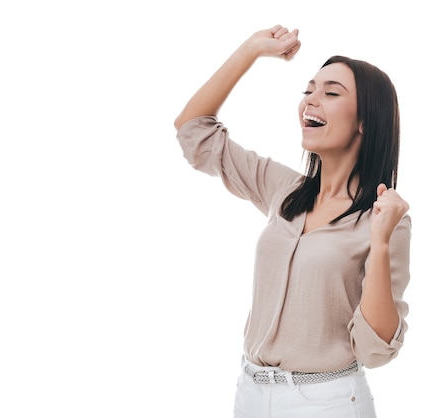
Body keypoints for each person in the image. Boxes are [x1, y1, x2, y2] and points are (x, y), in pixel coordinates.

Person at [174, 24, 411, 418]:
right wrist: (251, 49)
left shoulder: (385, 220)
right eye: (308, 90)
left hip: (328, 402)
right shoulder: (283, 188)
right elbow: (193, 132)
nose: (310, 101)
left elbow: (375, 349)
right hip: (251, 393)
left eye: (331, 93)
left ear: (365, 121)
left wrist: (382, 241)